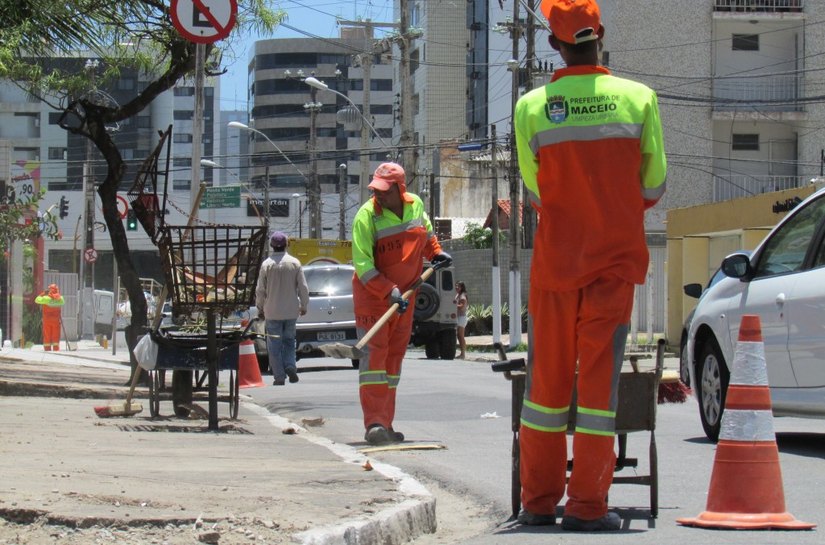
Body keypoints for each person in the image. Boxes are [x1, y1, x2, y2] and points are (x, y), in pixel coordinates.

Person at [513, 0, 667, 532]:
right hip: (615, 263)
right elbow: (654, 187)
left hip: (556, 264)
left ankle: (537, 504)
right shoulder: (639, 99)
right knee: (598, 390)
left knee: (545, 389)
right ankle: (586, 508)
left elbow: (535, 191)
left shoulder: (531, 107)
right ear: (599, 35)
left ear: (553, 45)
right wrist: (611, 208)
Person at [352, 162, 452, 445]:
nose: (379, 195)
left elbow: (427, 234)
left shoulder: (416, 205)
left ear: (400, 188)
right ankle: (374, 423)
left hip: (406, 296)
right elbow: (362, 265)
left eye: (384, 191)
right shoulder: (366, 217)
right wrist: (388, 290)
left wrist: (437, 252)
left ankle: (386, 423)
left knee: (393, 363)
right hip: (374, 299)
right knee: (374, 362)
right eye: (376, 190)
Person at [255, 231, 309, 386]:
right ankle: (291, 366)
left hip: (272, 311)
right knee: (289, 341)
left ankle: (279, 376)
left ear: (272, 246)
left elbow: (260, 290)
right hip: (291, 310)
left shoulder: (266, 265)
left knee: (274, 345)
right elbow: (303, 287)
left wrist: (260, 309)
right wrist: (304, 305)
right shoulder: (295, 263)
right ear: (287, 244)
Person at [35, 284, 65, 351]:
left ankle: (47, 349)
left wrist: (42, 294)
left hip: (47, 320)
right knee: (56, 335)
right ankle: (56, 349)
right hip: (56, 321)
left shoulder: (46, 298)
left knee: (47, 335)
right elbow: (62, 302)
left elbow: (36, 300)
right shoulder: (60, 299)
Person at [453, 281, 468, 359]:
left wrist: (453, 305)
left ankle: (463, 354)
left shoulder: (462, 296)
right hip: (458, 317)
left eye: (458, 286)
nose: (456, 288)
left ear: (462, 287)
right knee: (459, 336)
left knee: (461, 336)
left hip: (461, 317)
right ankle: (462, 353)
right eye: (456, 286)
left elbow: (461, 306)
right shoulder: (458, 295)